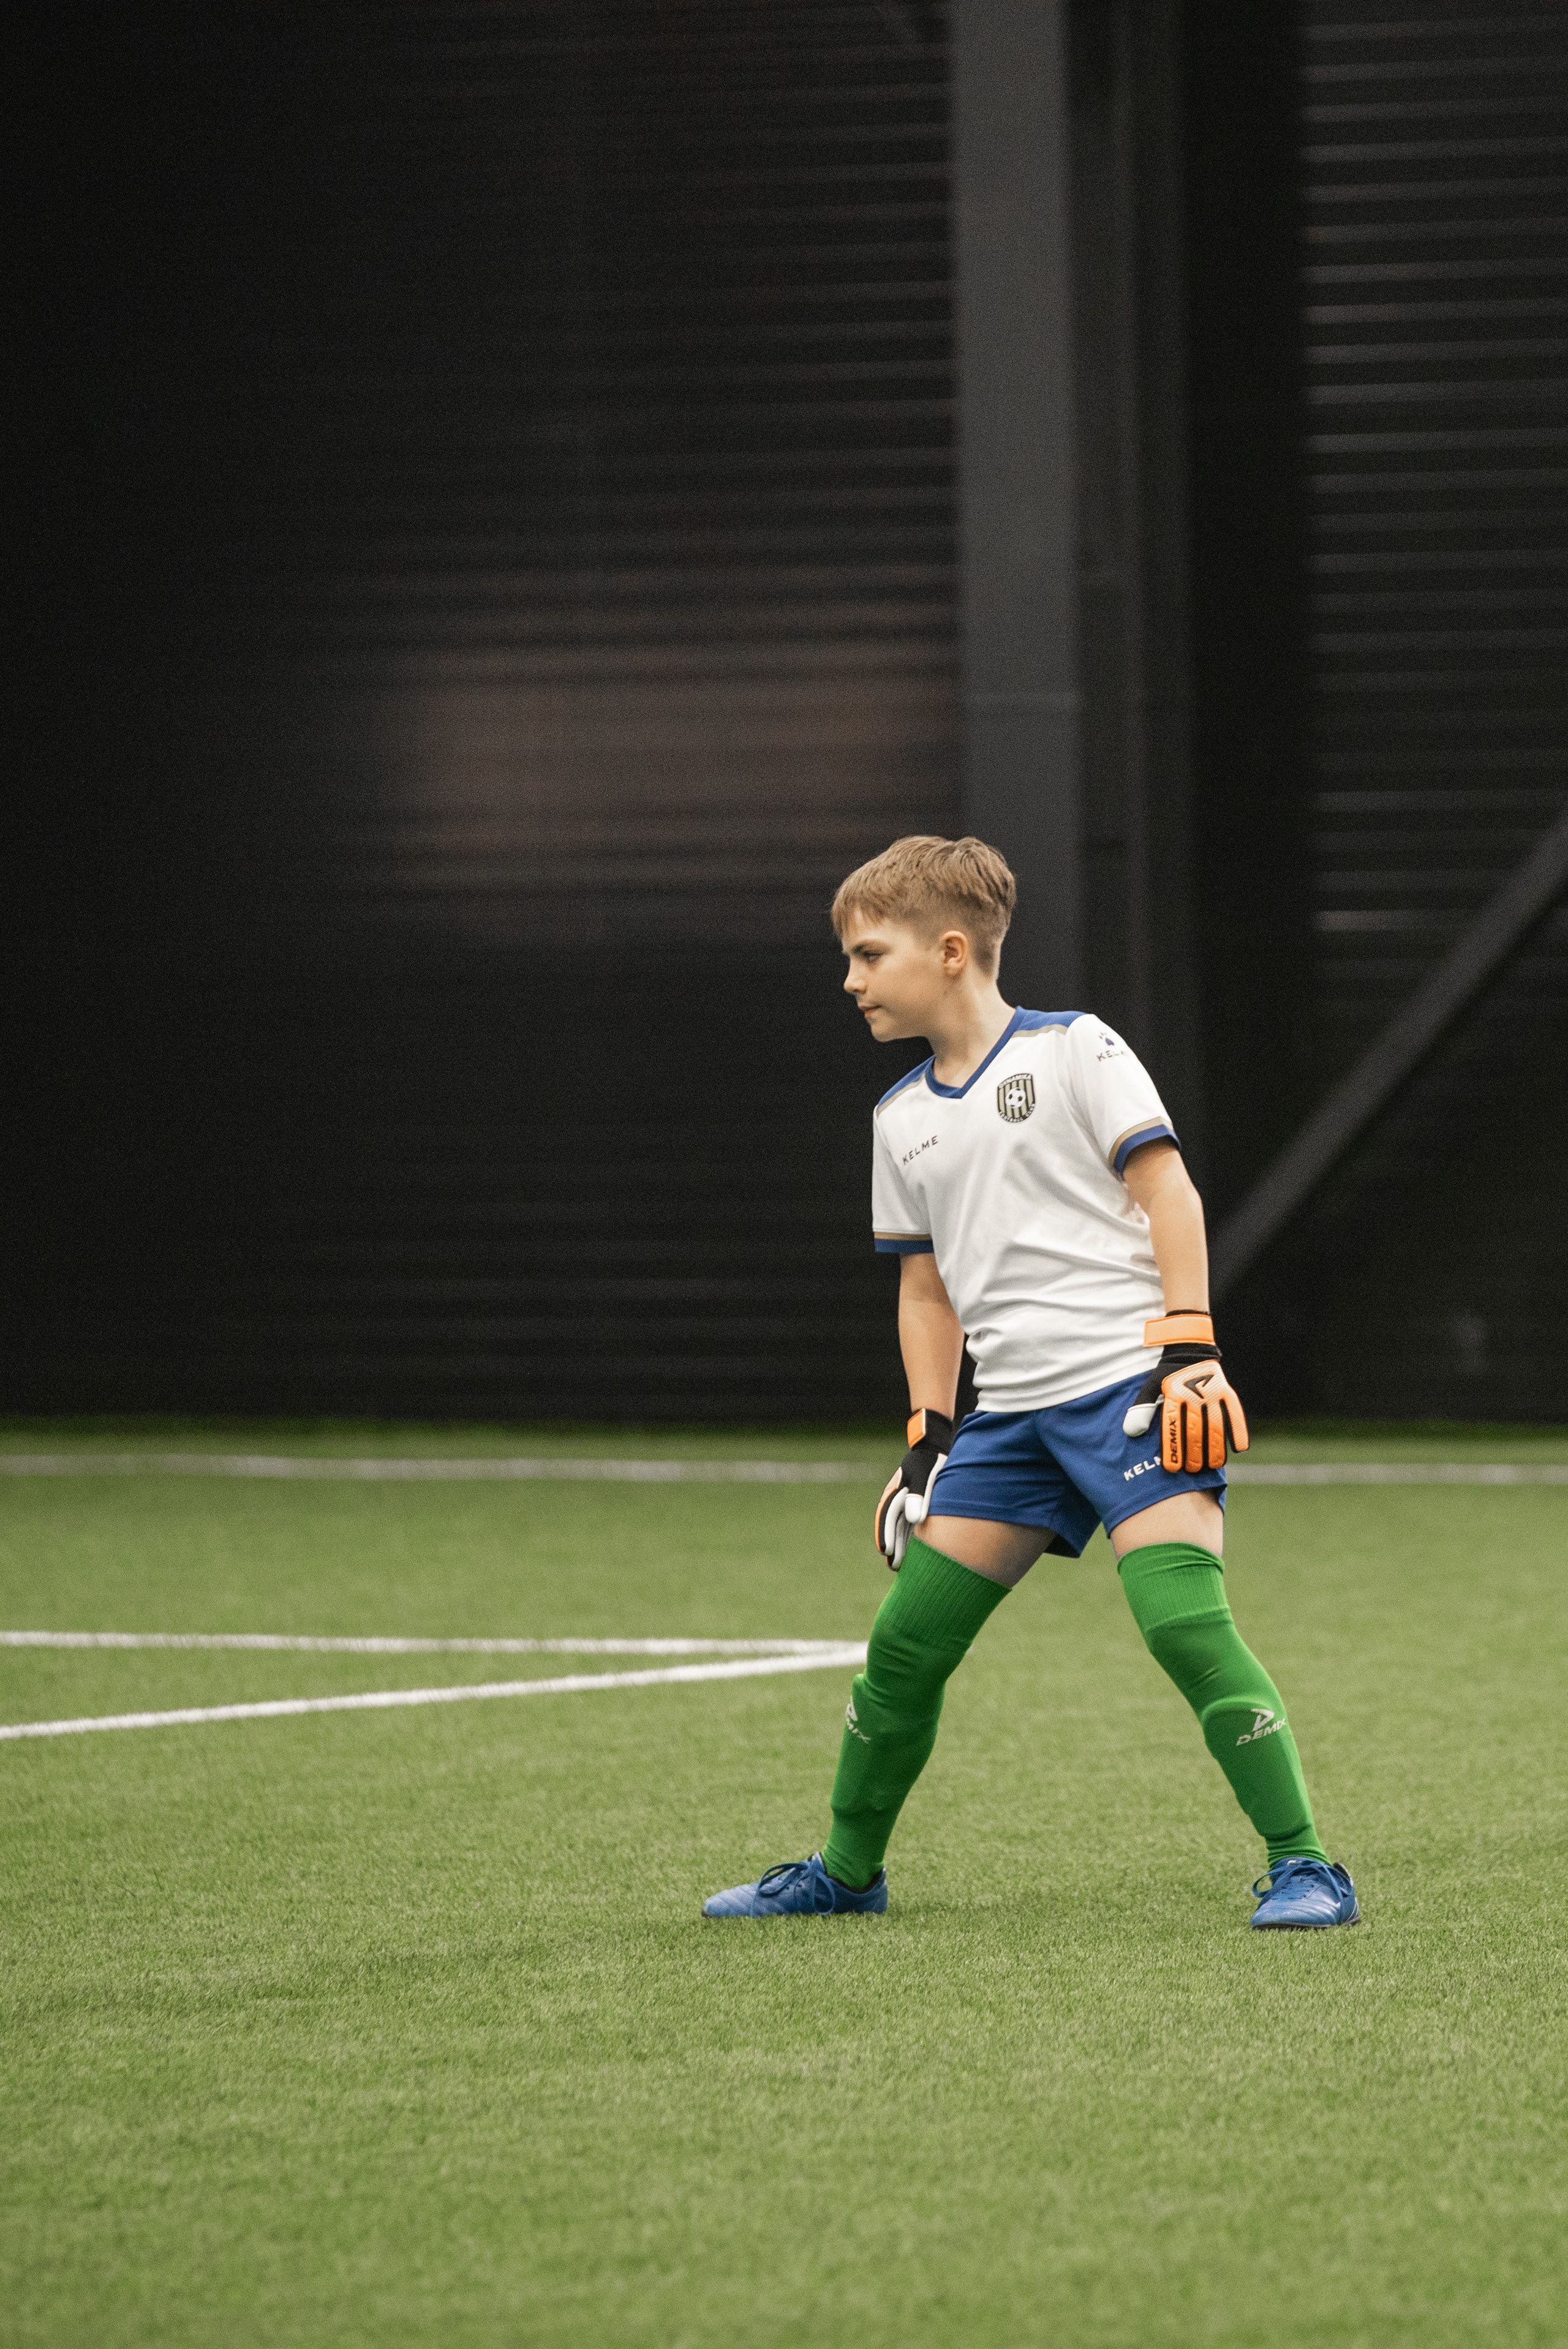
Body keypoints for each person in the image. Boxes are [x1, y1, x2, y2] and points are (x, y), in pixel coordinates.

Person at [703, 835, 1357, 1931]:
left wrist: (1189, 1350)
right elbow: (926, 1292)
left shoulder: (1075, 1051)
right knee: (903, 1651)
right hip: (1009, 1421)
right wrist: (929, 1434)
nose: (851, 980)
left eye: (869, 955)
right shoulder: (899, 1119)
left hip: (1130, 1395)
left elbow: (1170, 1194)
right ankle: (846, 1875)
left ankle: (1307, 1868)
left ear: (952, 952)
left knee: (1185, 1629)